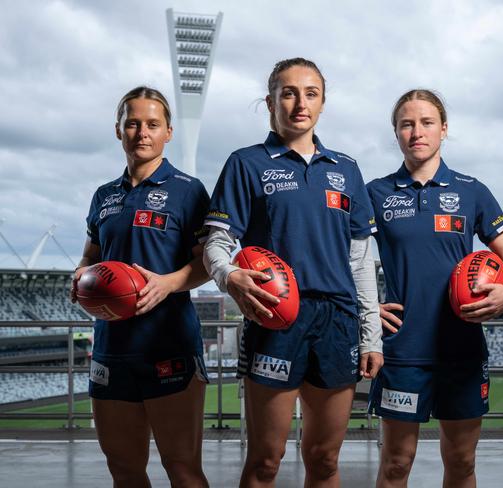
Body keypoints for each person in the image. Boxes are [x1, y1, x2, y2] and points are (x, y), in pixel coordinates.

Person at [203, 57, 384, 487]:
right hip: (274, 319)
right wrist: (228, 276)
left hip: (337, 322)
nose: (299, 103)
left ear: (323, 103)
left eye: (310, 93)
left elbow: (360, 263)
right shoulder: (246, 163)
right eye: (288, 93)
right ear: (270, 102)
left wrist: (370, 334)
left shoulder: (347, 168)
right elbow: (217, 242)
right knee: (266, 460)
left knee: (324, 460)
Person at [366, 89, 503, 488]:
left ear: (443, 129)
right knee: (396, 464)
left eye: (425, 122)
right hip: (402, 350)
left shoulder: (472, 191)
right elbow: (345, 258)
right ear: (396, 133)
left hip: (461, 349)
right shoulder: (375, 193)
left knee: (461, 462)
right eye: (406, 124)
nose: (416, 131)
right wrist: (365, 309)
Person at [70, 86, 211, 487]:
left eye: (152, 124)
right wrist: (80, 276)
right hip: (111, 349)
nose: (142, 132)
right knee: (125, 470)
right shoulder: (104, 196)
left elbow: (207, 264)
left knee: (182, 469)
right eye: (132, 123)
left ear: (169, 131)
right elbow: (89, 257)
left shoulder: (189, 190)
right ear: (119, 130)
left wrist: (167, 284)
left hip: (170, 346)